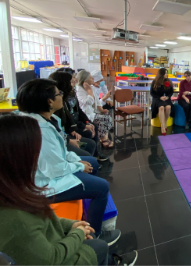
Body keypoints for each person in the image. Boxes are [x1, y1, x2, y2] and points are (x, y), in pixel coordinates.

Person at [0, 115, 137, 266]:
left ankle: (94, 233)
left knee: (91, 161)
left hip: (54, 237)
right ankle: (98, 237)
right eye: (35, 149)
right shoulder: (15, 215)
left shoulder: (14, 192)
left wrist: (71, 225)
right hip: (58, 249)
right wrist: (77, 233)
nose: (38, 154)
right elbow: (50, 259)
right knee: (101, 188)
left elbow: (44, 219)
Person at [16, 79, 120, 245]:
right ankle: (94, 237)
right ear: (49, 101)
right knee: (102, 187)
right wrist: (78, 165)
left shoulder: (48, 120)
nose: (62, 96)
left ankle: (87, 206)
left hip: (51, 170)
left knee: (91, 162)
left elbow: (61, 151)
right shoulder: (40, 130)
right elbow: (55, 168)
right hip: (44, 184)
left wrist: (77, 160)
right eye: (59, 94)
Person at [49, 71, 108, 161]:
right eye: (72, 80)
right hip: (70, 130)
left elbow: (78, 112)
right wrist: (73, 133)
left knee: (94, 126)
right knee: (91, 135)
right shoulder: (61, 103)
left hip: (75, 125)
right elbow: (65, 122)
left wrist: (86, 122)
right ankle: (93, 157)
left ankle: (95, 155)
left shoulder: (71, 94)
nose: (75, 81)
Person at [76, 70, 114, 148]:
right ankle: (104, 139)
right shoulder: (79, 90)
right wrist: (89, 91)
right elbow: (88, 102)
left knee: (108, 118)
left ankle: (103, 138)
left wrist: (102, 109)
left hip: (93, 111)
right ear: (85, 80)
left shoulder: (91, 88)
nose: (92, 79)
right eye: (91, 78)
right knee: (106, 119)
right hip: (86, 114)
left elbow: (97, 100)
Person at [150, 68, 174, 136]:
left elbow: (171, 92)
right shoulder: (155, 82)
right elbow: (152, 93)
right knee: (161, 108)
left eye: (167, 73)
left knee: (168, 107)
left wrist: (167, 97)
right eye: (165, 73)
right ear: (162, 74)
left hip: (166, 98)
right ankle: (163, 126)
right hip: (157, 99)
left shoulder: (169, 81)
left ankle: (164, 123)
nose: (167, 74)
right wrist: (160, 97)